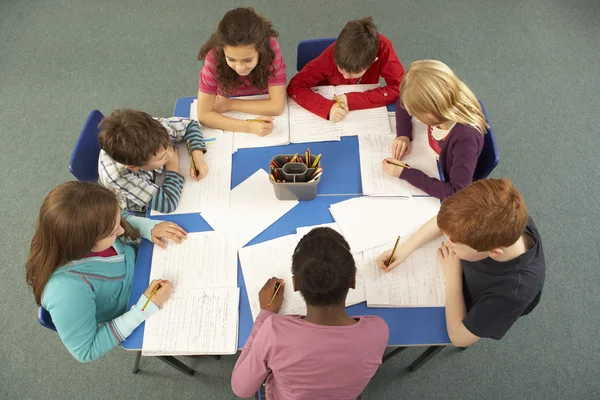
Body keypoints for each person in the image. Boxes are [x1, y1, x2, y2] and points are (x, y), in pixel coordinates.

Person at [25, 181, 187, 362]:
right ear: (84, 242)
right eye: (112, 232)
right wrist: (144, 308)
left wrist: (146, 226)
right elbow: (86, 351)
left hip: (144, 269)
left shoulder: (83, 227)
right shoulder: (65, 291)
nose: (120, 230)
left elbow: (117, 218)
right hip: (135, 307)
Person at [376, 179, 546, 347]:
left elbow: (459, 338)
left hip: (470, 299)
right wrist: (405, 249)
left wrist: (453, 277)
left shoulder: (513, 293)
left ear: (493, 252)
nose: (446, 242)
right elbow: (444, 223)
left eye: (454, 245)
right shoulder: (502, 217)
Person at [232, 227, 388, 399]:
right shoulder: (378, 331)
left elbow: (241, 389)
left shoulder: (274, 332)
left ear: (295, 283)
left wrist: (265, 314)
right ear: (353, 279)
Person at [384, 60, 488, 200]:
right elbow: (403, 100)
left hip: (442, 176)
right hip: (432, 158)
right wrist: (403, 134)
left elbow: (455, 192)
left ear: (432, 112)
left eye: (416, 113)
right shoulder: (444, 101)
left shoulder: (465, 139)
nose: (415, 116)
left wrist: (406, 173)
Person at [287, 16, 404, 121]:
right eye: (340, 68)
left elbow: (399, 88)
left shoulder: (384, 49)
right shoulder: (330, 55)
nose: (345, 76)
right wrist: (327, 107)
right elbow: (295, 85)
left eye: (354, 73)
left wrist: (353, 100)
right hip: (329, 97)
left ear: (373, 62)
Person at [196, 7, 287, 136]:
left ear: (261, 51)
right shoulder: (213, 57)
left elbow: (277, 106)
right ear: (223, 51)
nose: (240, 67)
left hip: (258, 98)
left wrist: (230, 104)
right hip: (231, 99)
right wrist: (249, 127)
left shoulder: (271, 49)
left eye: (248, 60)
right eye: (231, 59)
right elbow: (204, 115)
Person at [98, 108, 207, 214]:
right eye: (161, 157)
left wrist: (197, 157)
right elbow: (167, 203)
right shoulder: (118, 176)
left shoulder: (153, 130)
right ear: (133, 167)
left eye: (168, 144)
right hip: (135, 199)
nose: (170, 153)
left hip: (153, 172)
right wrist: (173, 166)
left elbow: (190, 125)